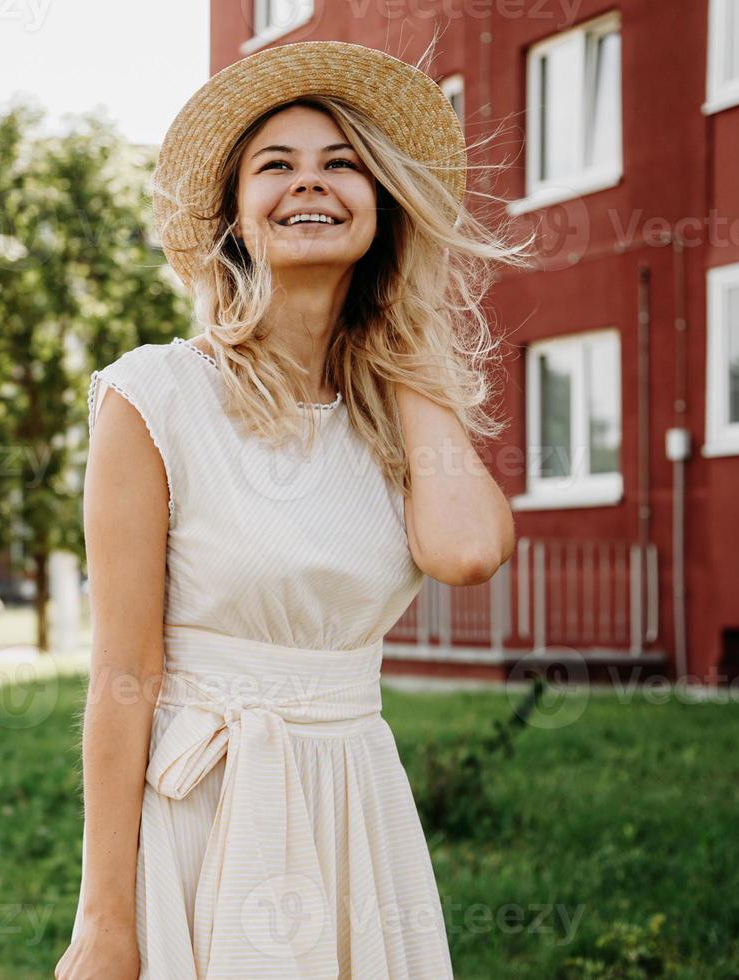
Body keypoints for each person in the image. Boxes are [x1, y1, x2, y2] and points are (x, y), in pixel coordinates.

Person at [54, 40, 534, 979]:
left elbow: (469, 550)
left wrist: (408, 332)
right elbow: (123, 671)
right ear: (237, 216)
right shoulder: (154, 397)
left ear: (383, 206)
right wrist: (105, 917)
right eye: (276, 166)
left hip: (353, 802)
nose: (308, 185)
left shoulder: (390, 412)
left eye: (342, 166)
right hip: (208, 808)